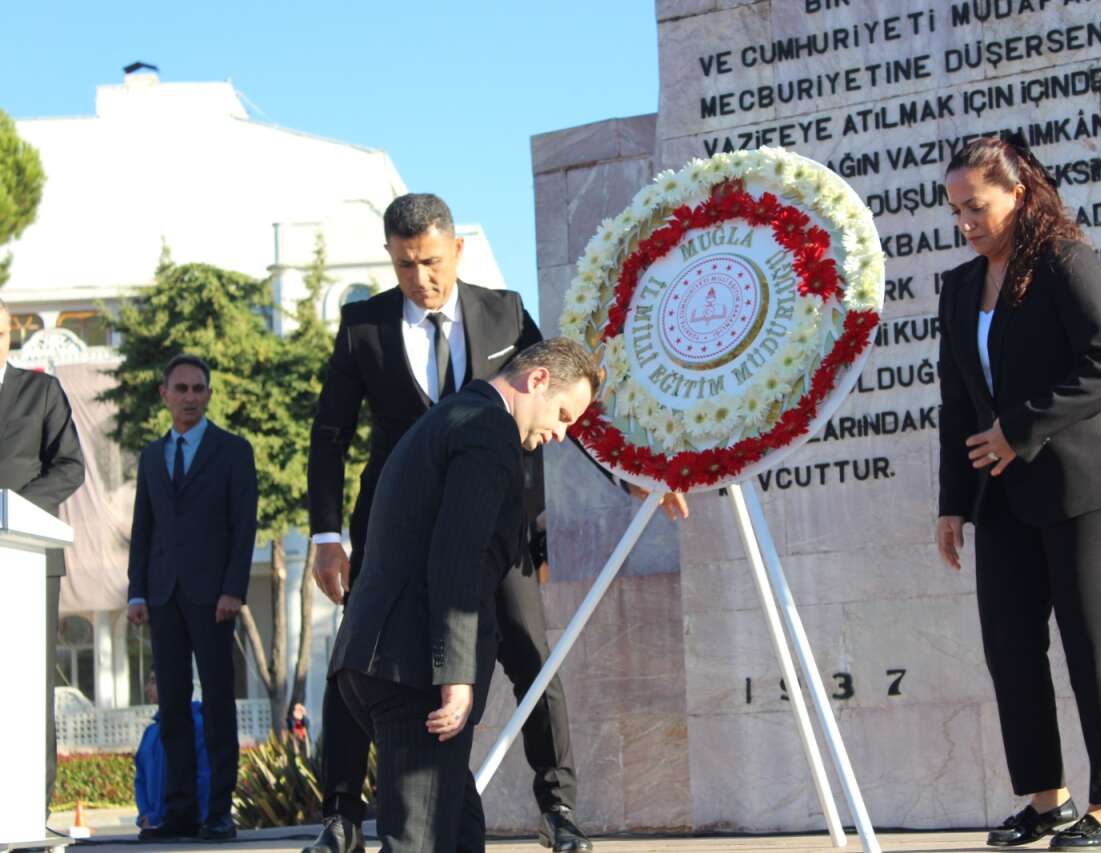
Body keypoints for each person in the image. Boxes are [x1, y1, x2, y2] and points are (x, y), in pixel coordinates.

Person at [305, 193, 685, 853]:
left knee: (530, 655)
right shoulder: (364, 325)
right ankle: (341, 813)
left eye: (430, 261)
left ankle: (557, 805)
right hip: (403, 532)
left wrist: (634, 472)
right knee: (385, 668)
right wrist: (326, 535)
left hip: (495, 529)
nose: (419, 278)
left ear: (456, 249)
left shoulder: (504, 313)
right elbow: (330, 434)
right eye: (403, 265)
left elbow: (566, 391)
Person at [935, 134, 1101, 851]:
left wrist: (1018, 429)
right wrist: (953, 503)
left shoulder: (1064, 259)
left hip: (1088, 485)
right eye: (956, 211)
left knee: (1092, 645)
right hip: (1002, 495)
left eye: (977, 206)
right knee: (1010, 647)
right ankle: (1046, 801)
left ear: (1018, 193)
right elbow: (959, 404)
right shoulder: (959, 287)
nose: (966, 223)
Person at [330, 337, 599, 853]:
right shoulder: (487, 428)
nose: (561, 433)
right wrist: (454, 675)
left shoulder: (452, 417)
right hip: (412, 674)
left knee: (459, 835)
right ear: (537, 379)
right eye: (563, 415)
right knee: (419, 844)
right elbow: (458, 558)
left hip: (375, 660)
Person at [126, 354, 258, 842]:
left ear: (208, 394)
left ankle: (219, 812)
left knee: (219, 704)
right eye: (180, 388)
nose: (189, 397)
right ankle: (179, 812)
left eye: (198, 389)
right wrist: (137, 591)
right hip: (163, 596)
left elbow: (243, 526)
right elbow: (143, 529)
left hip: (214, 597)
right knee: (173, 706)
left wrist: (233, 589)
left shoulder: (233, 451)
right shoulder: (151, 456)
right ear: (164, 394)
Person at [0, 297, 86, 817]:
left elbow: (70, 466)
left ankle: (32, 811)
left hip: (26, 561)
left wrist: (8, 510)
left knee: (29, 687)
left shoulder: (41, 391)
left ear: (9, 335)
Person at [135, 670, 211, 829]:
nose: (148, 688)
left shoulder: (197, 726)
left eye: (154, 681)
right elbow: (140, 778)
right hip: (154, 828)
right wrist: (146, 815)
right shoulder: (150, 732)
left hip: (188, 827)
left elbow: (204, 777)